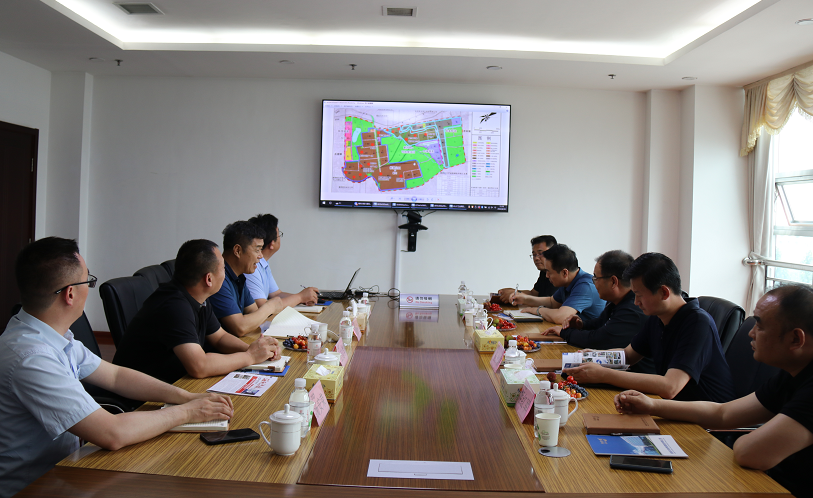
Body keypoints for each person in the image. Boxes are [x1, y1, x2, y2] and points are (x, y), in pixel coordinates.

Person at [0, 237, 233, 497]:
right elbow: (111, 433)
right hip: (35, 486)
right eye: (88, 281)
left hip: (66, 468)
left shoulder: (52, 336)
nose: (89, 288)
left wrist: (185, 397)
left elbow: (115, 375)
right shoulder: (32, 358)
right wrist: (188, 412)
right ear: (70, 294)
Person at [614, 284, 813, 497]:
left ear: (796, 339)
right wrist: (652, 405)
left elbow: (749, 453)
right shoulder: (792, 374)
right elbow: (723, 413)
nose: (751, 333)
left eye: (760, 326)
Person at [564, 252, 734, 403]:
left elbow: (670, 386)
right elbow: (628, 355)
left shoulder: (697, 323)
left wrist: (603, 374)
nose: (636, 302)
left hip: (704, 420)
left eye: (639, 295)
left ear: (664, 292)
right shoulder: (657, 317)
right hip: (672, 407)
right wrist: (595, 356)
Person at [113, 239, 281, 384]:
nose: (226, 273)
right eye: (223, 268)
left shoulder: (198, 297)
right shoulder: (174, 306)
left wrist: (253, 349)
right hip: (141, 397)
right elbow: (199, 366)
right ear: (209, 279)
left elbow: (219, 337)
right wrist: (250, 356)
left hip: (173, 382)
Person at [542, 251, 651, 368]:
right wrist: (581, 325)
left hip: (636, 373)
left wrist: (564, 332)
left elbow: (599, 340)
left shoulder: (632, 309)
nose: (593, 283)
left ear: (613, 282)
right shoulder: (616, 300)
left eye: (596, 278)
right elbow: (600, 323)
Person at [209, 221, 281, 337]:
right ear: (237, 251)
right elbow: (240, 327)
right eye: (257, 250)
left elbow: (254, 313)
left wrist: (261, 313)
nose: (261, 256)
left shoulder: (240, 276)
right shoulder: (219, 279)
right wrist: (270, 307)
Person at [514, 244, 605, 323]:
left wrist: (537, 310)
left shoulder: (585, 286)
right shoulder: (568, 281)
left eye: (549, 272)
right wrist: (524, 299)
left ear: (564, 273)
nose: (547, 276)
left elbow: (561, 317)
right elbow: (552, 302)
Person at [245, 213, 319, 309]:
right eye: (279, 235)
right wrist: (300, 297)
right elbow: (263, 306)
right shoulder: (251, 267)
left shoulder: (264, 263)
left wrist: (305, 298)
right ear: (271, 243)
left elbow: (276, 294)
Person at [495, 235, 557, 303]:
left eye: (540, 253)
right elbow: (534, 293)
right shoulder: (544, 271)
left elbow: (551, 303)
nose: (536, 258)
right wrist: (514, 292)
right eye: (534, 255)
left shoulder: (558, 273)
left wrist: (517, 295)